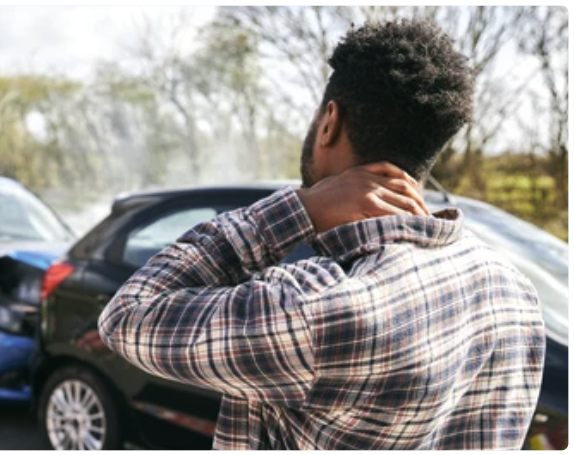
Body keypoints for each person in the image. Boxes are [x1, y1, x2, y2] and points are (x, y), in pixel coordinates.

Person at [98, 19, 545, 450]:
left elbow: (128, 316)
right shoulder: (512, 290)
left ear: (329, 121)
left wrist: (299, 208)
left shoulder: (314, 308)